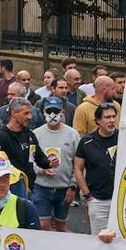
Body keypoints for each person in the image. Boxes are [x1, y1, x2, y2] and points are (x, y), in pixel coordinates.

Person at [32, 96, 80, 232]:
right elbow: (30, 161)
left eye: (56, 111)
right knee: (43, 225)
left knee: (61, 226)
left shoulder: (73, 135)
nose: (53, 114)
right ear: (43, 111)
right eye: (49, 111)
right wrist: (42, 169)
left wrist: (73, 185)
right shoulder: (35, 134)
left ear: (62, 112)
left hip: (64, 188)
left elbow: (78, 164)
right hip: (42, 187)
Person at [73, 102, 119, 234]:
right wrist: (87, 194)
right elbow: (77, 168)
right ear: (98, 120)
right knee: (100, 240)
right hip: (98, 200)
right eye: (107, 117)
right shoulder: (87, 141)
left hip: (119, 199)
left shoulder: (123, 138)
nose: (111, 120)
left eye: (113, 116)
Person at [0, 98, 51, 192]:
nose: (30, 117)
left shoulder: (29, 135)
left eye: (30, 113)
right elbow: (1, 166)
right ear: (14, 114)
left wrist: (49, 163)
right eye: (26, 113)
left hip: (30, 187)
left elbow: (38, 157)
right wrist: (19, 186)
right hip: (11, 189)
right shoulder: (2, 136)